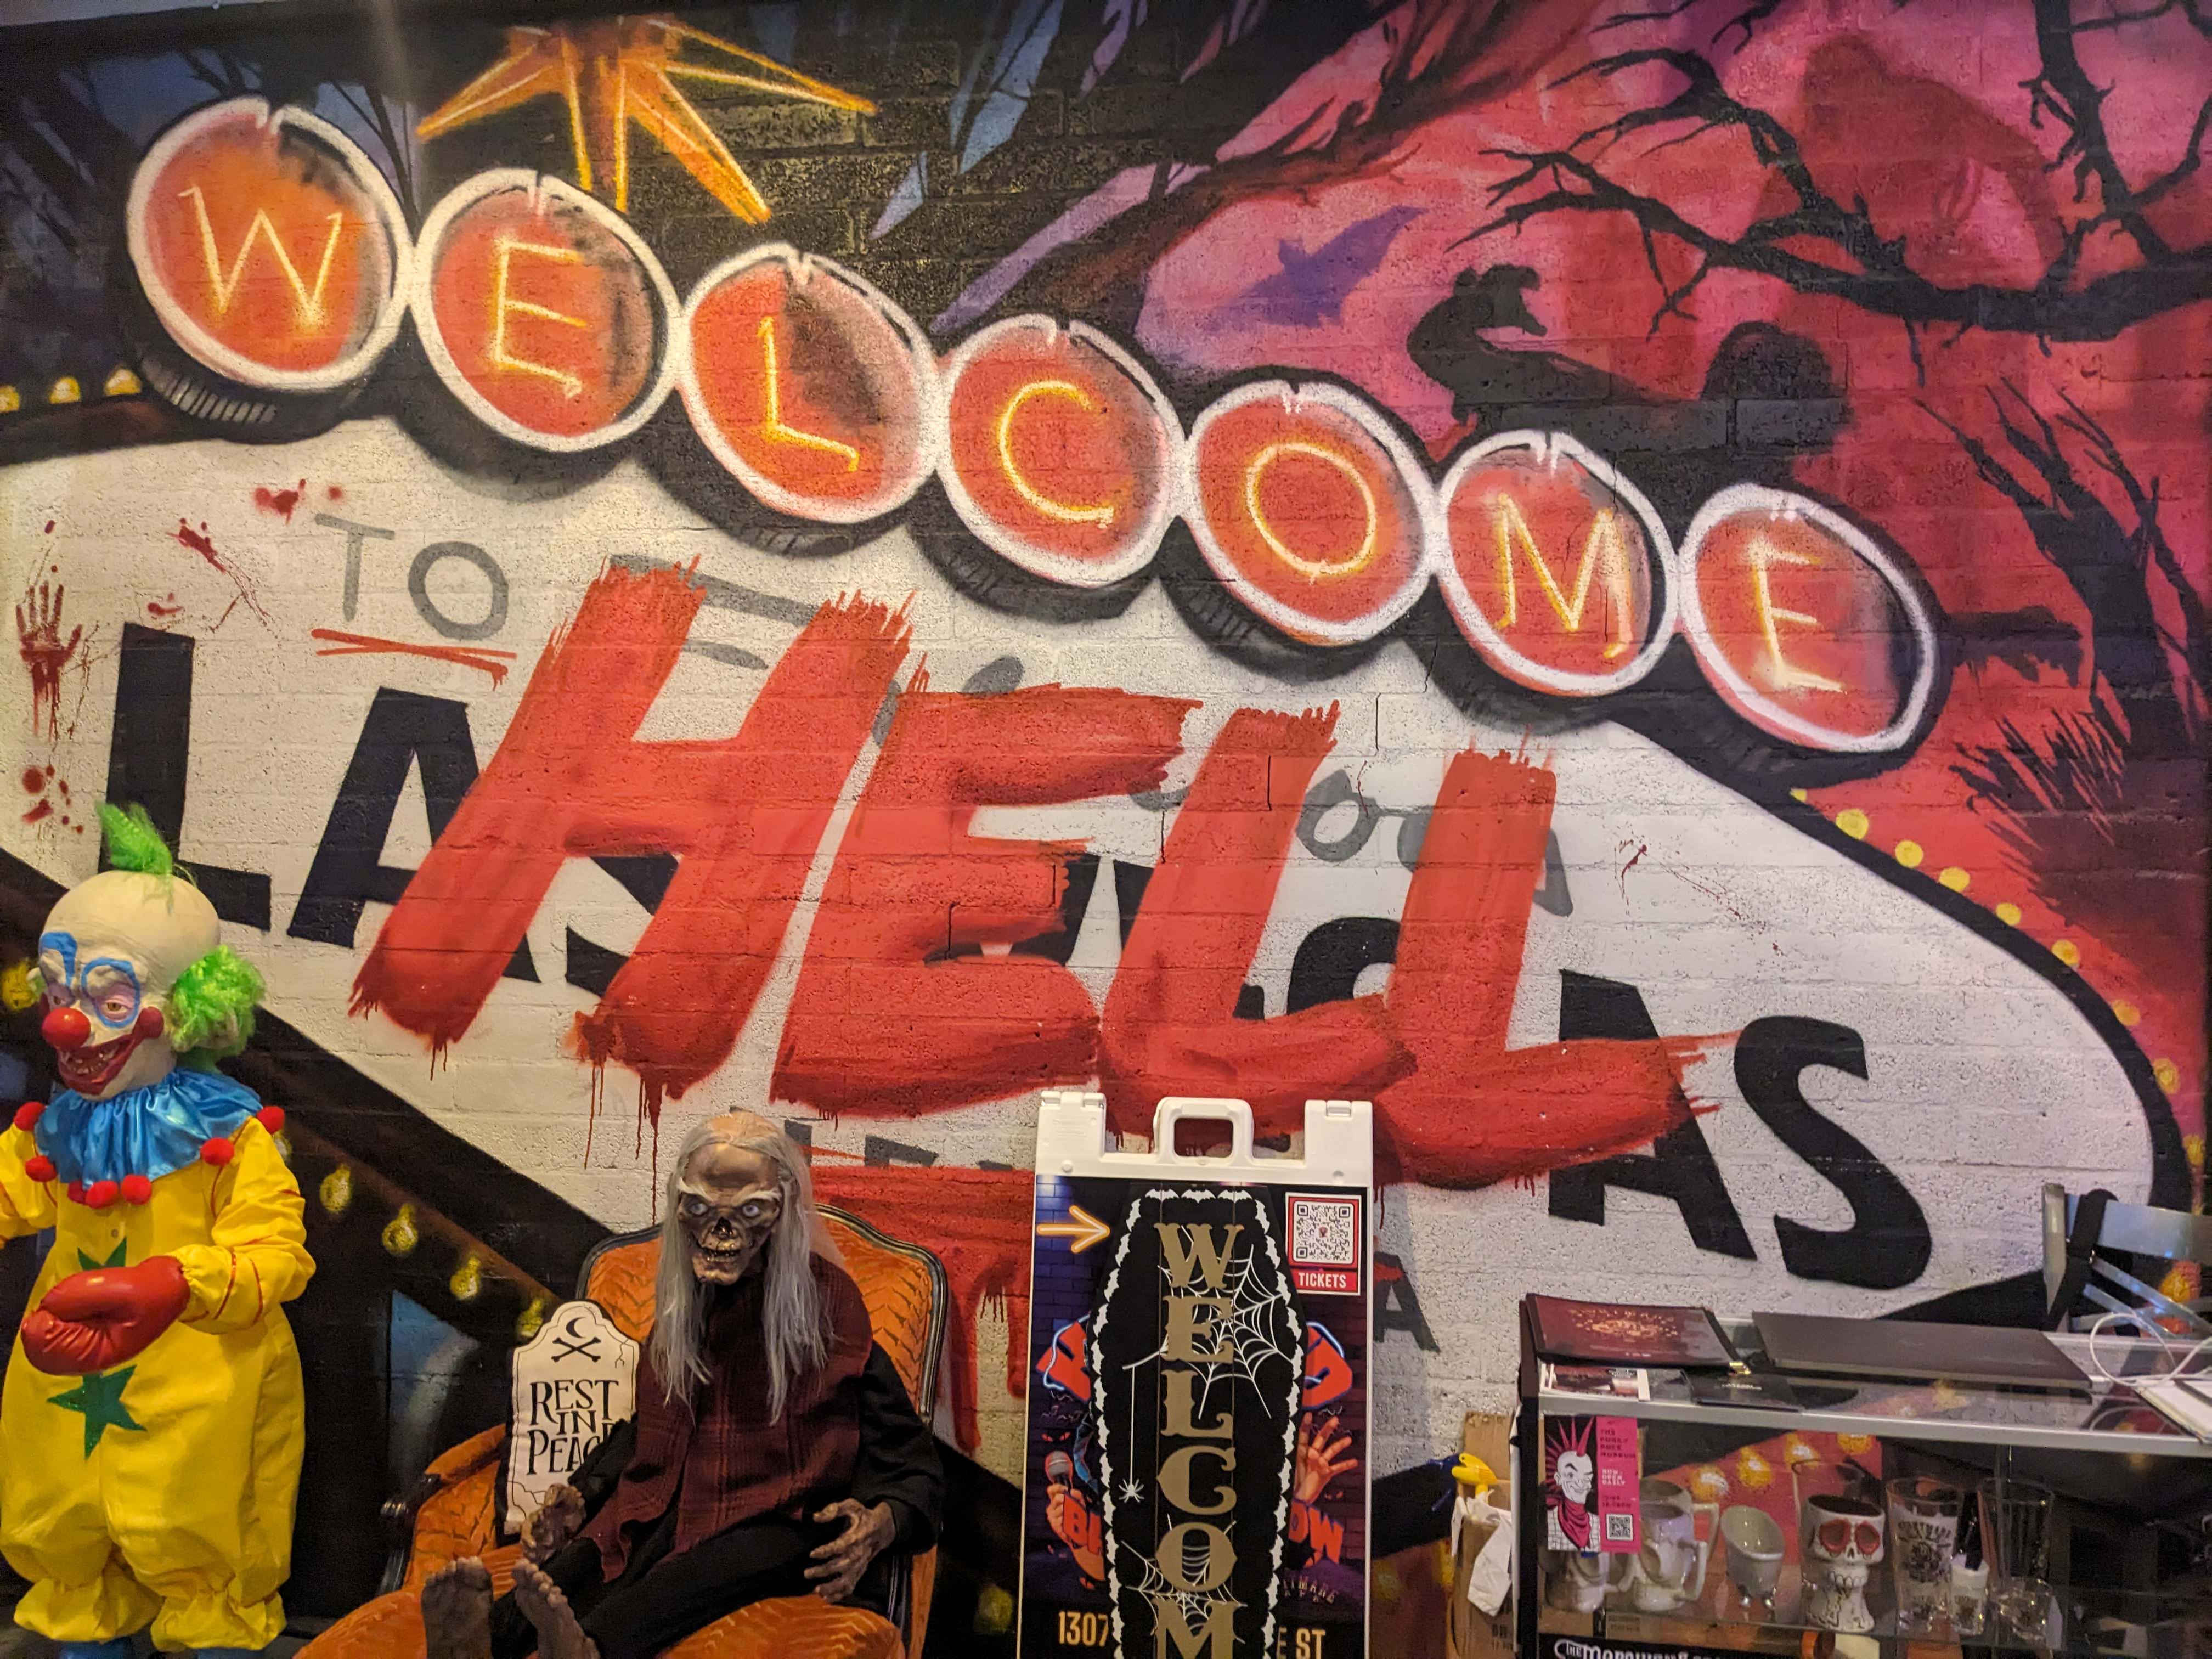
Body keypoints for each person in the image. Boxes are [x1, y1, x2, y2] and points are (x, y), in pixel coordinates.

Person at [421, 1112, 943, 1659]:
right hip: (675, 1498)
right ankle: (482, 1643)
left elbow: (915, 1466)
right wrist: (585, 1493)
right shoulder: (686, 1305)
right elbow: (650, 1425)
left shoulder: (829, 1311)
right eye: (699, 1208)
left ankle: (592, 1650)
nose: (720, 1232)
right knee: (595, 1552)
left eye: (749, 1211)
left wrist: (883, 1523)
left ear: (783, 1211)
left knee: (696, 1575)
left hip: (780, 1515)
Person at [0, 804, 311, 1658]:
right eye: (60, 992)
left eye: (107, 997)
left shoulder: (228, 1134)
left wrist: (177, 1282)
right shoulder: (56, 1128)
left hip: (204, 1405)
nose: (66, 1024)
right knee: (76, 1562)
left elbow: (276, 1255)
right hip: (69, 1394)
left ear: (185, 1008)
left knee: (206, 1585)